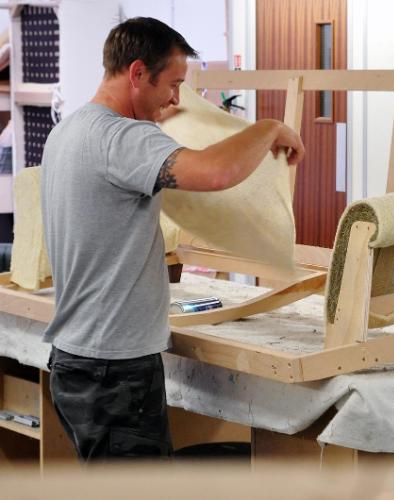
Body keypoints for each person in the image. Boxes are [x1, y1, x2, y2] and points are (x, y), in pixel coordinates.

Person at [40, 17, 305, 462]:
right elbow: (215, 173)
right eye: (173, 84)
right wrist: (270, 128)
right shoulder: (123, 137)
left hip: (78, 362)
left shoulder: (70, 130)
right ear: (137, 72)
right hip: (114, 370)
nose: (176, 98)